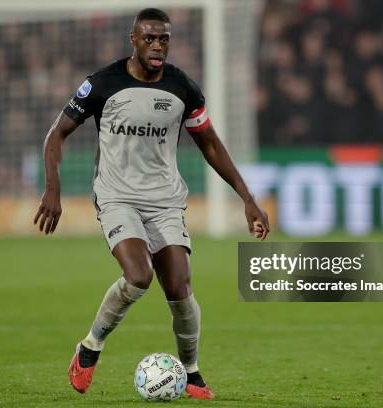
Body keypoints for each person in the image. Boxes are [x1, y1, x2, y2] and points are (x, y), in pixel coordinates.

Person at [33, 8, 270, 400]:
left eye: (164, 39)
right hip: (117, 196)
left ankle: (191, 373)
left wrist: (247, 198)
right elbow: (56, 134)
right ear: (133, 39)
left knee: (179, 288)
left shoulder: (183, 88)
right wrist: (53, 188)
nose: (157, 46)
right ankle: (90, 348)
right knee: (139, 276)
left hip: (164, 200)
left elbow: (209, 142)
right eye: (149, 38)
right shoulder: (103, 83)